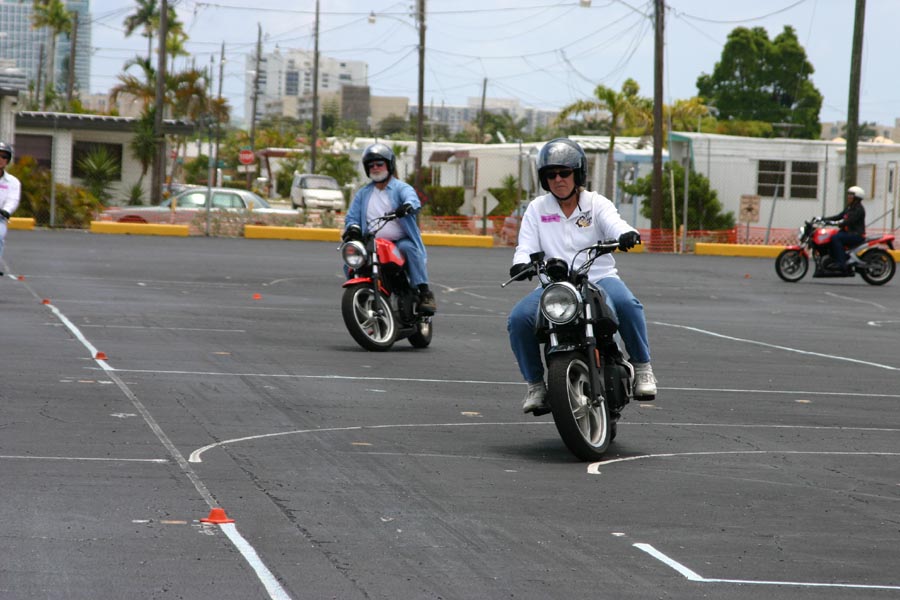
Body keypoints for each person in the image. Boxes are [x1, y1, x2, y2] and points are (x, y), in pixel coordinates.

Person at [507, 138, 656, 414]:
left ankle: (643, 367)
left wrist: (625, 234)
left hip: (599, 279)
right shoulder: (537, 209)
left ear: (578, 174)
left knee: (628, 304)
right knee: (518, 319)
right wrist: (521, 264)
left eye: (564, 173)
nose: (558, 179)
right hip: (554, 286)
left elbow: (615, 224)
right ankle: (535, 385)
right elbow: (525, 246)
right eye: (551, 174)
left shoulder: (596, 203)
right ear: (544, 179)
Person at [342, 143, 436, 314]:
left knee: (409, 248)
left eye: (379, 164)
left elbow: (412, 199)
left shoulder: (401, 188)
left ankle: (424, 293)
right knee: (352, 256)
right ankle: (358, 295)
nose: (375, 168)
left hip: (399, 241)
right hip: (372, 242)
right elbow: (352, 217)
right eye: (371, 165)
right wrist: (352, 228)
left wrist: (407, 206)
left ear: (389, 165)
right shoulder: (363, 193)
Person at [823, 185, 866, 273]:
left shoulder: (859, 209)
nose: (848, 197)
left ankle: (841, 264)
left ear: (857, 198)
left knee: (836, 238)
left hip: (856, 234)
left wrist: (839, 224)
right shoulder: (850, 207)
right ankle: (834, 258)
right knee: (831, 236)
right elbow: (839, 216)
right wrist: (824, 219)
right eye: (848, 195)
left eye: (851, 195)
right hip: (849, 232)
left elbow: (849, 220)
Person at [0, 141, 21, 277]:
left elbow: (13, 199)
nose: (0, 159)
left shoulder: (13, 182)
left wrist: (6, 210)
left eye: (4, 157)